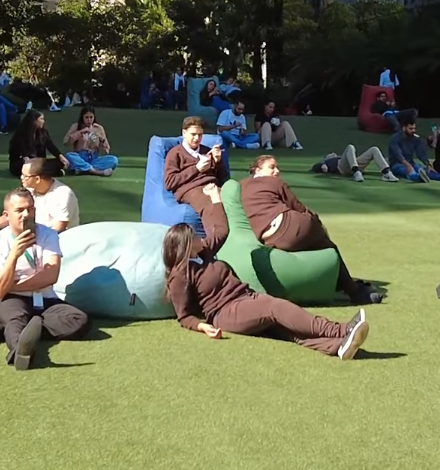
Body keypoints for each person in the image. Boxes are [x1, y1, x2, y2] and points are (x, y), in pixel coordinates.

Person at [163, 224, 370, 360]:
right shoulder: (180, 275)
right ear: (185, 245)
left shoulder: (204, 254)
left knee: (285, 330)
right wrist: (203, 327)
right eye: (194, 236)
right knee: (275, 307)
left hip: (245, 297)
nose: (200, 237)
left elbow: (222, 230)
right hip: (225, 312)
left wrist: (215, 197)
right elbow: (184, 316)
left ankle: (338, 346)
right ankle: (340, 330)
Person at [242, 155, 381, 304]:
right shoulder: (274, 182)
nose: (277, 171)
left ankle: (340, 283)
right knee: (328, 245)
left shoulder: (240, 186)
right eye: (272, 167)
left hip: (269, 239)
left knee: (315, 239)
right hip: (290, 226)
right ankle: (353, 290)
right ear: (257, 170)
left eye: (277, 167)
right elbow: (299, 207)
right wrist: (316, 221)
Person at [0, 187, 89, 370]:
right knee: (15, 320)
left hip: (45, 298)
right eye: (19, 210)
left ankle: (28, 328)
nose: (26, 214)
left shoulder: (48, 235)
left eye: (30, 209)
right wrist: (14, 255)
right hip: (12, 299)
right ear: (6, 215)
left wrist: (13, 285)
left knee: (78, 320)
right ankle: (20, 352)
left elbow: (51, 275)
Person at [163, 116, 231, 249]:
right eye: (193, 134)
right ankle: (210, 245)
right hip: (191, 189)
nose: (196, 138)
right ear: (184, 133)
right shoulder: (175, 154)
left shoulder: (206, 151)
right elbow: (169, 182)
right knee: (210, 206)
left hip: (213, 186)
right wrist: (196, 168)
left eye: (200, 135)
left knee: (232, 201)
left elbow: (223, 178)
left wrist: (218, 162)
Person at [6, 109, 69, 179]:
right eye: (41, 119)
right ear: (34, 121)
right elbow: (24, 153)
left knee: (60, 162)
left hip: (38, 162)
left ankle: (40, 172)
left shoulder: (43, 132)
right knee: (27, 166)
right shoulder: (22, 134)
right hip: (23, 162)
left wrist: (60, 156)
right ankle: (47, 172)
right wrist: (28, 162)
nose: (43, 121)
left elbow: (50, 145)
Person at [61, 107, 119, 176]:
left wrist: (102, 140)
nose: (89, 120)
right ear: (82, 117)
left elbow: (106, 151)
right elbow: (66, 142)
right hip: (80, 157)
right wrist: (79, 133)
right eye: (86, 117)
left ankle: (83, 169)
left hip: (94, 158)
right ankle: (96, 172)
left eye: (91, 117)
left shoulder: (99, 128)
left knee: (114, 160)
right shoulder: (76, 126)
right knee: (69, 156)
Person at [387, 117, 440, 182]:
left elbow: (421, 154)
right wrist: (408, 165)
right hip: (396, 164)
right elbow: (397, 154)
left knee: (426, 170)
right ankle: (418, 177)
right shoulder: (395, 138)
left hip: (411, 163)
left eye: (414, 128)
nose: (413, 130)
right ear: (404, 128)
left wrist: (428, 165)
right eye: (411, 129)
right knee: (407, 171)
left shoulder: (415, 139)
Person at [308, 144, 397, 183]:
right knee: (350, 147)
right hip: (341, 167)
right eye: (330, 154)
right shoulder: (326, 161)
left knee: (374, 149)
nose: (332, 153)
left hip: (354, 163)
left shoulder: (338, 156)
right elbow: (315, 167)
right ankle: (356, 173)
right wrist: (322, 165)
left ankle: (386, 173)